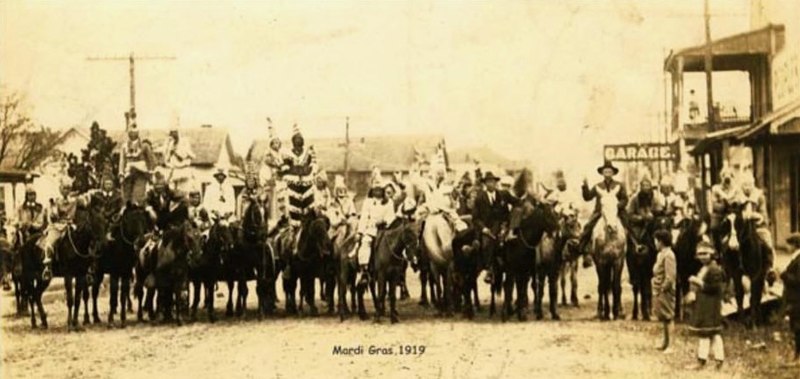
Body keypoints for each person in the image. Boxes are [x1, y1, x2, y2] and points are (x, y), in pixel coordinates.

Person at [36, 177, 94, 280]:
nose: (66, 191)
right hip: (57, 226)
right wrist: (54, 212)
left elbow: (86, 203)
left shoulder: (75, 200)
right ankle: (47, 267)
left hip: (71, 225)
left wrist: (84, 194)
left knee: (85, 240)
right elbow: (53, 215)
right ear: (60, 189)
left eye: (68, 188)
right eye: (64, 188)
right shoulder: (55, 200)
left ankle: (88, 268)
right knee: (49, 243)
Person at [579, 161, 629, 267]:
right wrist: (585, 186)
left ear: (613, 173)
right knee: (588, 227)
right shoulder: (598, 186)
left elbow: (625, 199)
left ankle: (634, 247)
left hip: (616, 211)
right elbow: (587, 197)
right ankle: (584, 251)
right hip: (600, 211)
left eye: (609, 171)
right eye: (605, 171)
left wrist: (616, 206)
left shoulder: (619, 185)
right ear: (602, 173)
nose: (607, 173)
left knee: (629, 225)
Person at [686, 239, 726, 370]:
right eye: (700, 254)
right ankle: (712, 359)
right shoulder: (705, 268)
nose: (702, 257)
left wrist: (698, 282)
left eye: (705, 254)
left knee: (710, 333)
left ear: (712, 254)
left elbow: (715, 288)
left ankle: (708, 360)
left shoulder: (714, 269)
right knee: (709, 333)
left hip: (711, 305)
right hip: (704, 304)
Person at [473, 172, 518, 283]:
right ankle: (489, 269)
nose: (491, 184)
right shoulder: (479, 198)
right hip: (487, 228)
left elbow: (517, 202)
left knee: (512, 243)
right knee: (487, 244)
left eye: (492, 181)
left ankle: (513, 268)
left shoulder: (504, 194)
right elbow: (475, 218)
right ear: (485, 184)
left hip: (503, 225)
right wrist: (483, 228)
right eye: (488, 182)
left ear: (496, 183)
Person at [735, 173, 776, 279]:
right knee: (731, 241)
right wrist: (741, 215)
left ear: (753, 185)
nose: (747, 188)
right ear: (741, 186)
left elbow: (763, 213)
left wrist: (756, 216)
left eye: (749, 185)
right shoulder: (738, 198)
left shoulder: (759, 197)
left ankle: (770, 267)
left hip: (757, 226)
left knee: (766, 240)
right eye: (745, 185)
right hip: (742, 226)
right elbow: (734, 211)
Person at [652, 229, 677, 352]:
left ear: (661, 242)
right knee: (663, 317)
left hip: (665, 290)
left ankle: (671, 345)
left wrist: (662, 288)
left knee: (668, 317)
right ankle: (665, 342)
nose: (655, 243)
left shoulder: (669, 255)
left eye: (656, 241)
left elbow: (670, 276)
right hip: (659, 289)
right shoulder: (660, 254)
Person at [120, 124, 155, 205]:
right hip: (128, 173)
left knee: (138, 196)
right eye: (130, 132)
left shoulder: (144, 145)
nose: (132, 134)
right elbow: (122, 161)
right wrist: (121, 174)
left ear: (138, 132)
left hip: (141, 173)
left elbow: (151, 160)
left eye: (135, 132)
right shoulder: (124, 146)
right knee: (126, 195)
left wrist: (150, 172)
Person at [781, 233, 800, 364]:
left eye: (789, 244)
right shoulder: (795, 258)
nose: (787, 247)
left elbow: (798, 280)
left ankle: (798, 357)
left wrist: (784, 275)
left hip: (797, 299)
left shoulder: (799, 260)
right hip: (794, 298)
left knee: (798, 327)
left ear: (794, 245)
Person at [90, 175, 123, 247]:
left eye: (110, 184)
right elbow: (92, 207)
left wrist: (112, 213)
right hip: (100, 218)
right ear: (103, 185)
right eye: (106, 184)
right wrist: (100, 212)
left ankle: (110, 235)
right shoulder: (97, 196)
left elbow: (119, 208)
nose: (108, 186)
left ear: (113, 185)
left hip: (113, 217)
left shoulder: (117, 196)